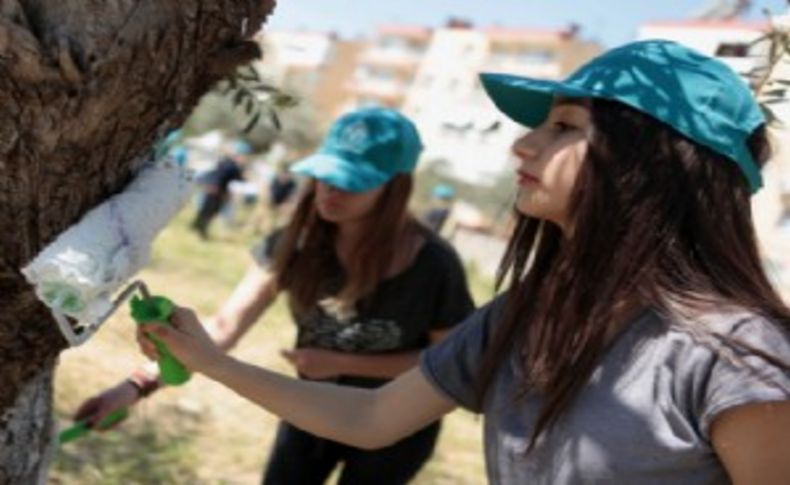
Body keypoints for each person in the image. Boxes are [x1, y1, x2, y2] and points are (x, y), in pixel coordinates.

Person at [136, 40, 790, 483]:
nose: (522, 146)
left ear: (650, 162)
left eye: (564, 127)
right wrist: (213, 362)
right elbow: (370, 418)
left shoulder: (737, 355)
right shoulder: (528, 310)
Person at [76, 108, 476, 484]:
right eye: (325, 174)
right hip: (309, 409)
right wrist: (133, 387)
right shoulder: (293, 245)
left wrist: (340, 361)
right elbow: (224, 328)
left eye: (353, 181)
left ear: (395, 188)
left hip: (397, 426)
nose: (330, 190)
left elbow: (451, 366)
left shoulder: (435, 266)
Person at [191, 140, 250, 240]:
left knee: (208, 210)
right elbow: (235, 177)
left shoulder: (228, 162)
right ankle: (200, 229)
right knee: (209, 211)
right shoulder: (230, 164)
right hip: (215, 189)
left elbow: (235, 178)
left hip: (216, 189)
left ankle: (197, 227)